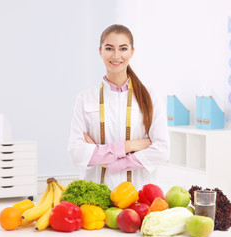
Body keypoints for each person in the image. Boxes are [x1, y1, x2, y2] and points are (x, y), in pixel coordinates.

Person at [67, 24, 169, 190]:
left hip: (138, 195)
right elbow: (76, 152)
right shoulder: (85, 98)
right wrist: (130, 146)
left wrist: (111, 162)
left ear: (132, 52)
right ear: (100, 52)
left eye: (123, 48)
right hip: (95, 196)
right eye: (109, 48)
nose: (116, 55)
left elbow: (161, 151)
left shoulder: (150, 97)